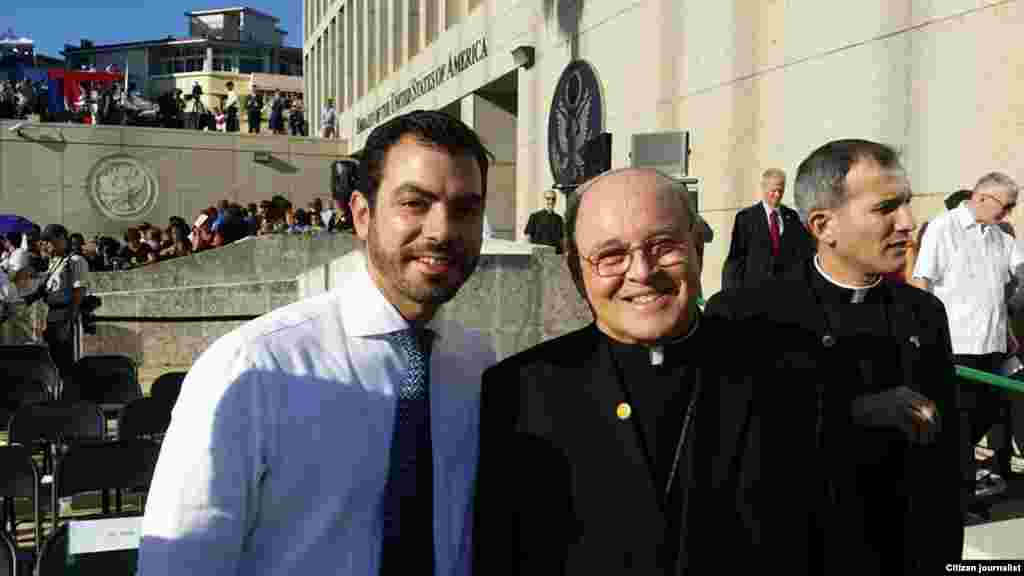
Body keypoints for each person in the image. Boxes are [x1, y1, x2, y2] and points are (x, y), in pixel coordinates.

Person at [138, 109, 496, 576]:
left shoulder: (478, 364)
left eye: (465, 209)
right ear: (362, 215)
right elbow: (181, 564)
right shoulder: (252, 367)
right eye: (415, 203)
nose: (442, 230)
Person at [703, 139, 964, 574]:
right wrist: (853, 414)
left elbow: (946, 464)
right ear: (824, 225)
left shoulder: (923, 313)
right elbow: (729, 456)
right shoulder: (745, 315)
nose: (908, 222)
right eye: (886, 208)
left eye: (907, 204)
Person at [475, 168, 726, 574]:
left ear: (697, 246)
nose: (642, 272)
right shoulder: (520, 392)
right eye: (611, 256)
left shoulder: (785, 374)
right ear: (576, 271)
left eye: (663, 246)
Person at [911, 172, 1024, 486]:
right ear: (982, 197)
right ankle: (957, 492)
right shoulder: (943, 228)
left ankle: (957, 485)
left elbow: (1021, 271)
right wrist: (922, 334)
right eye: (1007, 205)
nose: (1009, 213)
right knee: (958, 423)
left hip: (995, 347)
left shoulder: (1002, 237)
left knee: (985, 417)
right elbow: (922, 281)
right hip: (957, 346)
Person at [721, 168, 813, 291]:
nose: (778, 195)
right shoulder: (746, 218)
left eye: (781, 190)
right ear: (764, 188)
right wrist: (731, 293)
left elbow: (803, 253)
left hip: (785, 291)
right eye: (773, 190)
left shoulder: (792, 217)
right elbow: (735, 259)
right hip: (755, 291)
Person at [37, 224, 89, 390]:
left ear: (61, 240)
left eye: (49, 241)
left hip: (66, 315)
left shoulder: (75, 261)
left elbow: (78, 293)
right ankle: (59, 396)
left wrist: (68, 321)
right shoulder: (54, 262)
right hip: (52, 315)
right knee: (55, 360)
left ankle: (71, 398)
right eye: (44, 242)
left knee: (68, 361)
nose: (45, 245)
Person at [523, 189, 565, 253]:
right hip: (539, 256)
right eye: (548, 198)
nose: (551, 201)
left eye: (553, 199)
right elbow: (528, 237)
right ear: (543, 200)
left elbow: (562, 240)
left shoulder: (559, 219)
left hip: (555, 255)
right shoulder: (535, 216)